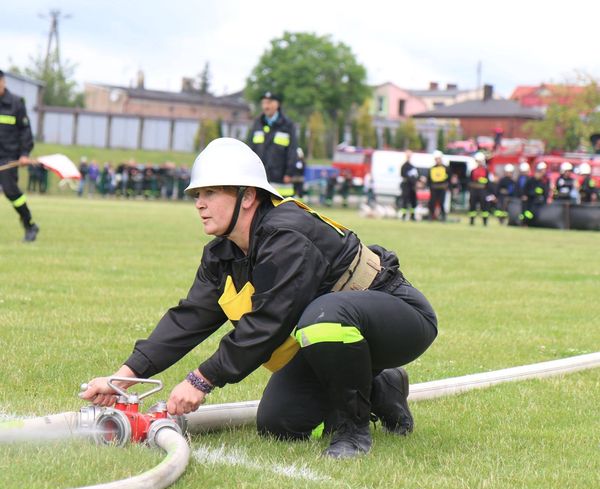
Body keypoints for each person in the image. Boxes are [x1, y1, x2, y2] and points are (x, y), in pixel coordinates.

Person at [80, 138, 438, 460]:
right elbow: (189, 318)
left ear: (248, 196)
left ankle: (352, 432)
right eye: (197, 196)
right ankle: (381, 386)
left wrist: (201, 379)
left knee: (323, 317)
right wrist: (121, 378)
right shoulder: (222, 254)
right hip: (335, 332)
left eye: (210, 194)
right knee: (279, 424)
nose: (199, 205)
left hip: (400, 316)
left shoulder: (287, 234)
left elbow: (267, 324)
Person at [0, 70, 39, 242]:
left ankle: (29, 224)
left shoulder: (16, 103)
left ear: (3, 82)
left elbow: (25, 131)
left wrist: (24, 154)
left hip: (9, 156)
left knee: (10, 191)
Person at [248, 91, 298, 197]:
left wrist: (289, 173)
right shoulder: (257, 123)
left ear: (277, 104)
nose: (266, 106)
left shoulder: (287, 125)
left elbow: (292, 150)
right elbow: (250, 149)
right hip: (259, 177)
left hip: (280, 177)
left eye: (269, 102)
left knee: (281, 209)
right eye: (264, 103)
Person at [467, 152, 492, 226]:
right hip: (474, 190)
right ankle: (472, 221)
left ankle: (485, 222)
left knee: (484, 206)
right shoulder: (473, 171)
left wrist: (481, 181)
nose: (479, 162)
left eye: (480, 161)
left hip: (482, 191)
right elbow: (470, 181)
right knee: (472, 206)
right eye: (477, 161)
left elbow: (487, 182)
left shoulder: (485, 171)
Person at [427, 150, 449, 221]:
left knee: (441, 203)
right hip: (434, 188)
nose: (437, 160)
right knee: (432, 203)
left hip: (442, 188)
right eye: (436, 159)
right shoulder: (432, 168)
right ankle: (431, 216)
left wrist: (448, 187)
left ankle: (443, 217)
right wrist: (429, 187)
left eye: (438, 159)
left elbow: (449, 179)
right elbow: (429, 179)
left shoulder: (446, 168)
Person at [399, 150, 419, 221]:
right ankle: (404, 216)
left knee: (413, 201)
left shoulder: (413, 166)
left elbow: (416, 176)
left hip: (412, 187)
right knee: (405, 201)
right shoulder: (404, 166)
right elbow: (403, 175)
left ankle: (412, 216)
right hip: (406, 186)